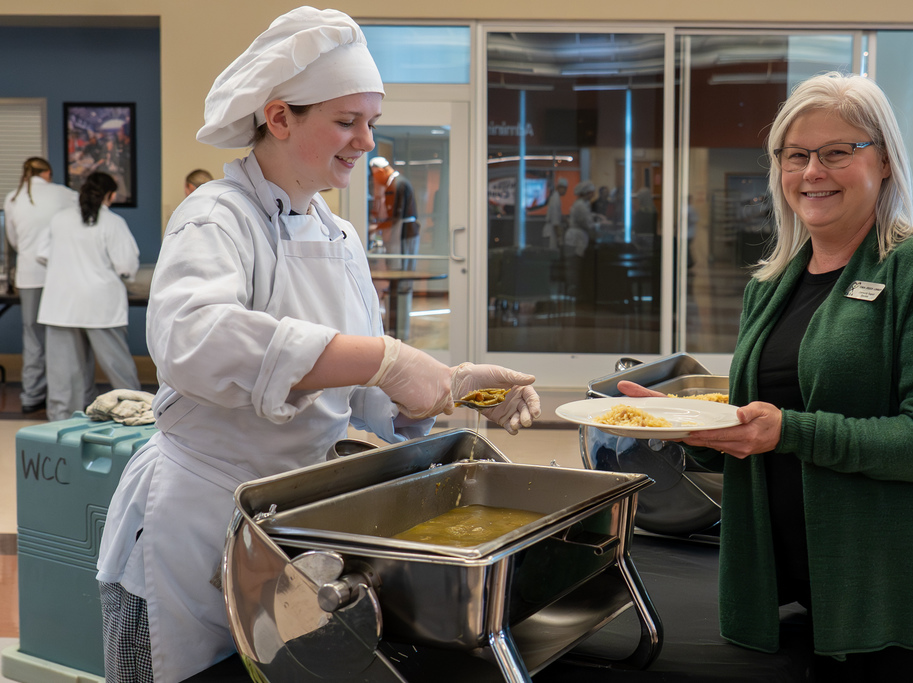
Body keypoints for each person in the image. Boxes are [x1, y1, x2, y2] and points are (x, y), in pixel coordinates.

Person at [95, 8, 541, 682]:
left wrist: (450, 387)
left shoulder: (340, 237)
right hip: (193, 521)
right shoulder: (215, 216)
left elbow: (363, 397)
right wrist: (388, 357)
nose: (366, 140)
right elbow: (193, 340)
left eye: (371, 121)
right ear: (278, 118)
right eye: (346, 120)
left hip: (290, 528)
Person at [622, 72, 913, 682]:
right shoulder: (773, 282)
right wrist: (692, 432)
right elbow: (769, 433)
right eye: (795, 155)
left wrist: (787, 431)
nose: (813, 172)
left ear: (884, 161)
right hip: (813, 602)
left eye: (837, 152)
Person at [37, 172, 141, 422]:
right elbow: (126, 266)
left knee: (64, 378)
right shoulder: (113, 222)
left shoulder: (59, 219)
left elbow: (41, 254)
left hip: (60, 305)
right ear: (110, 195)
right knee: (119, 371)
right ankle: (137, 417)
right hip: (100, 306)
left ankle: (62, 427)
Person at [2, 157, 78, 413]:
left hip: (28, 276)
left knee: (33, 337)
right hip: (59, 275)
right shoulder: (64, 194)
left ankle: (32, 395)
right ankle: (61, 399)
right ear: (47, 173)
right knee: (60, 337)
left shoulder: (12, 198)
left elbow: (12, 240)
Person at [369, 155, 420, 271]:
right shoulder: (393, 183)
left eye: (375, 175)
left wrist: (376, 228)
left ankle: (401, 289)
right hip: (401, 231)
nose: (375, 179)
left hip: (405, 232)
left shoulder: (398, 183)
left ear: (381, 171)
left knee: (403, 268)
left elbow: (397, 215)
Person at [542, 176, 568, 250]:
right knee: (551, 255)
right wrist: (560, 238)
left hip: (551, 230)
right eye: (565, 188)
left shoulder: (555, 197)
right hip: (551, 232)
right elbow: (555, 221)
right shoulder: (555, 199)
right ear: (560, 187)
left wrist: (564, 218)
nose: (565, 191)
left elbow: (557, 214)